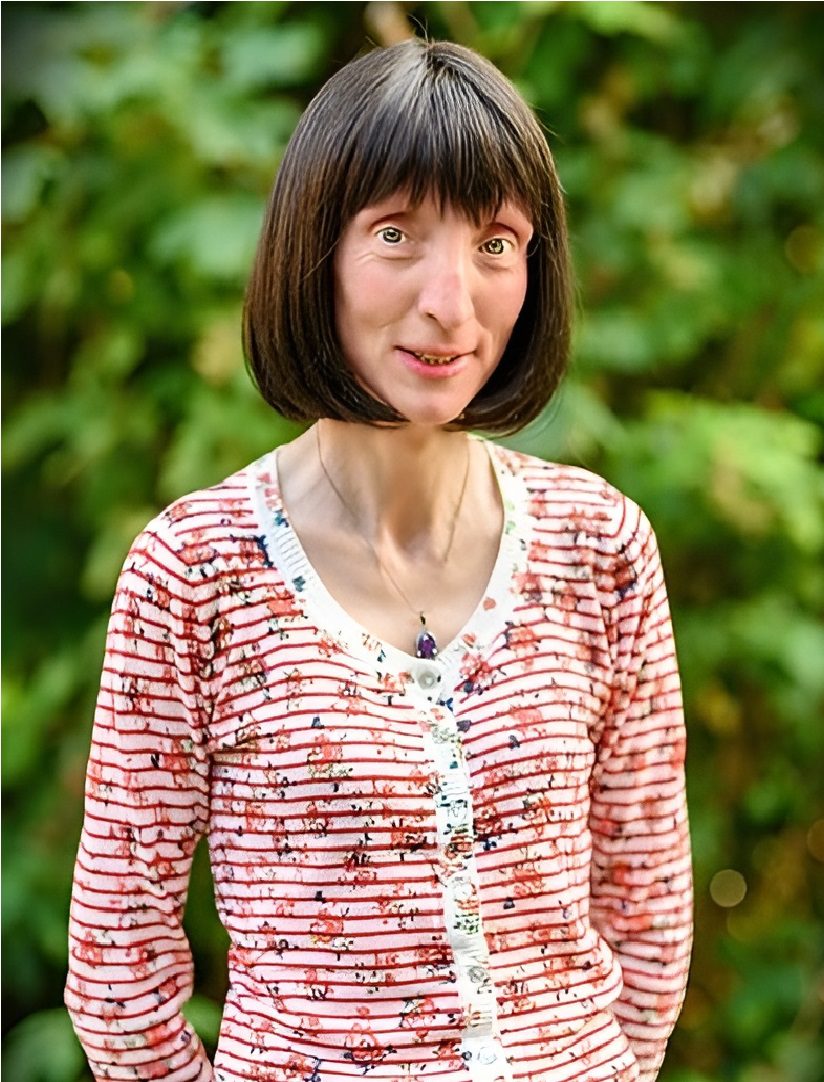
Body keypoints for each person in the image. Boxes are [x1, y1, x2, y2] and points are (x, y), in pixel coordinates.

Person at [65, 37, 692, 1082]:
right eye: (396, 234)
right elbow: (116, 964)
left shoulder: (602, 547)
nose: (451, 300)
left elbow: (648, 903)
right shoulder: (193, 572)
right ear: (314, 250)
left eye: (496, 243)